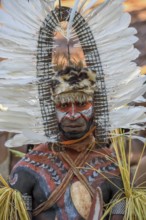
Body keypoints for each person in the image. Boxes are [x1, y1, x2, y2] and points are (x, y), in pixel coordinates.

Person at [0, 0, 146, 220]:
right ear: (50, 109)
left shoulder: (111, 169)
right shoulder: (27, 170)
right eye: (63, 105)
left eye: (82, 104)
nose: (73, 114)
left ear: (96, 108)